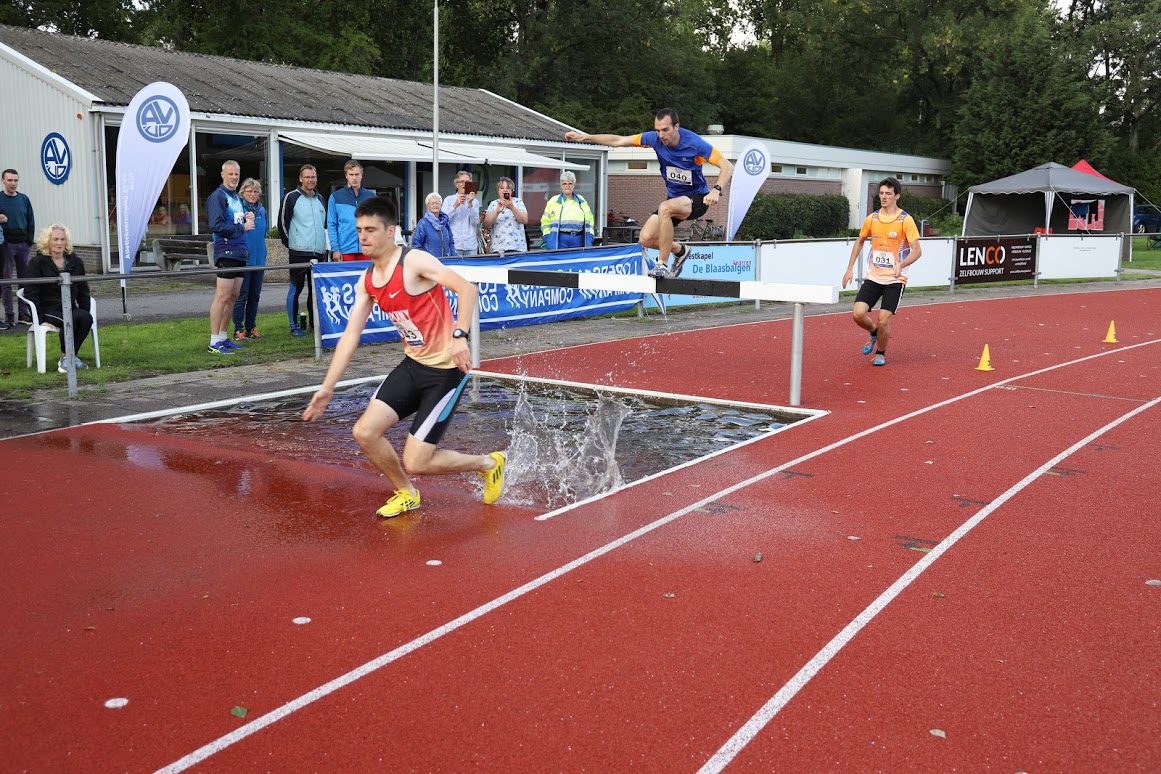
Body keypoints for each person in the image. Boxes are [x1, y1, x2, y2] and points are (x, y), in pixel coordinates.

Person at [303, 196, 506, 517]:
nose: (363, 237)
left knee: (417, 461)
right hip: (413, 366)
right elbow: (350, 336)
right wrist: (327, 388)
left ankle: (488, 463)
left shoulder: (414, 262)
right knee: (365, 432)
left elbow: (467, 289)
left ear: (390, 232)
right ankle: (407, 492)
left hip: (446, 372)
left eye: (371, 230)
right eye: (360, 230)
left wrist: (459, 336)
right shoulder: (368, 280)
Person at [565, 108, 734, 278]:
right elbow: (618, 140)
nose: (661, 135)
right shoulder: (653, 139)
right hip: (674, 200)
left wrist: (716, 190)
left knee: (665, 207)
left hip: (698, 199)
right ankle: (681, 251)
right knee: (645, 239)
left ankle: (662, 265)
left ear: (676, 127)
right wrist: (585, 137)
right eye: (658, 130)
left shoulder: (695, 143)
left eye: (665, 130)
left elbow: (727, 166)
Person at [841, 177, 923, 367]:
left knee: (883, 320)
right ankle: (874, 333)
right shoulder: (872, 218)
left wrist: (902, 264)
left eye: (888, 193)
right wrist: (849, 268)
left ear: (897, 196)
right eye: (881, 193)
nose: (884, 197)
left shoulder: (905, 220)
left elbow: (917, 251)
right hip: (874, 276)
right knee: (858, 314)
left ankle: (880, 353)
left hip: (895, 279)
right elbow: (860, 241)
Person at [23, 224, 93, 373]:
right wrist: (39, 319)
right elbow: (30, 292)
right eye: (55, 239)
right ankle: (68, 359)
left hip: (70, 307)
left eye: (62, 239)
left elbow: (83, 289)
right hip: (48, 309)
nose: (59, 243)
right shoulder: (37, 263)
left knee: (86, 318)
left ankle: (67, 357)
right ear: (47, 241)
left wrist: (84, 310)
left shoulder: (76, 262)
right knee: (70, 319)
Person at [205, 160, 252, 355]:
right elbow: (216, 225)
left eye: (236, 174)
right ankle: (214, 341)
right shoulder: (218, 196)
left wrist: (246, 218)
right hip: (226, 250)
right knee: (222, 296)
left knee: (233, 296)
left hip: (240, 250)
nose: (234, 178)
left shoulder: (236, 197)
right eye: (230, 174)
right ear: (222, 174)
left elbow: (234, 220)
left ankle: (223, 337)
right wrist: (242, 227)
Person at [280, 164, 328, 337]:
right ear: (301, 178)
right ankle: (294, 327)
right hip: (298, 252)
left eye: (313, 177)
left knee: (315, 291)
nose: (310, 180)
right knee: (296, 289)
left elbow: (323, 225)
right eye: (307, 177)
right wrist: (292, 244)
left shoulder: (321, 199)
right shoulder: (291, 197)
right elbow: (282, 224)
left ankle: (314, 325)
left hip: (319, 252)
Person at [232, 178, 268, 340]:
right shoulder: (238, 209)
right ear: (242, 193)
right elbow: (232, 231)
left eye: (255, 191)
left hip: (259, 259)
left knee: (255, 295)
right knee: (242, 295)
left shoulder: (262, 210)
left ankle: (250, 327)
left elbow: (264, 232)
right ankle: (237, 329)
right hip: (244, 259)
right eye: (249, 191)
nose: (253, 194)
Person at [0, 168, 35, 328]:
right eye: (10, 180)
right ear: (3, 181)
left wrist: (29, 240)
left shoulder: (24, 199)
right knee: (6, 280)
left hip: (23, 244)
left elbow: (30, 220)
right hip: (6, 245)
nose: (13, 183)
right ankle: (9, 314)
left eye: (15, 180)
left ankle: (23, 313)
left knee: (24, 280)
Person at [327, 159, 375, 261]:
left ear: (361, 175)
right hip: (345, 250)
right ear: (346, 175)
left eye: (357, 174)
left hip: (367, 248)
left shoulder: (371, 197)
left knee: (367, 273)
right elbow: (332, 224)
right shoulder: (336, 197)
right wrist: (335, 249)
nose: (354, 178)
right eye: (351, 174)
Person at [540, 170, 595, 249]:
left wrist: (591, 235)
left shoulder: (581, 201)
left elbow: (590, 219)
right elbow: (545, 221)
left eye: (570, 184)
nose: (567, 186)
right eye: (564, 184)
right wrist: (547, 236)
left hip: (578, 239)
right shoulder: (553, 201)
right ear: (561, 186)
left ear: (574, 185)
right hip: (559, 239)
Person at [483, 177, 529, 254]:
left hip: (517, 247)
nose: (505, 190)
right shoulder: (493, 204)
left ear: (512, 190)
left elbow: (525, 220)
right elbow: (486, 224)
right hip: (497, 248)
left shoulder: (518, 202)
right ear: (498, 191)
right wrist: (496, 212)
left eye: (508, 188)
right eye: (502, 188)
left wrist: (512, 207)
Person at [442, 171, 480, 256]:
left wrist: (470, 204)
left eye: (468, 182)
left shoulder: (475, 201)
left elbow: (475, 222)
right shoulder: (448, 200)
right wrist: (455, 206)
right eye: (462, 182)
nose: (465, 184)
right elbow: (443, 220)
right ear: (456, 185)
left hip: (470, 245)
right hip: (454, 244)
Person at [410, 192, 456, 257]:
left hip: (446, 261)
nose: (435, 205)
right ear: (428, 206)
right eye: (432, 203)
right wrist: (425, 259)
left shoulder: (445, 222)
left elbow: (451, 242)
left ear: (441, 205)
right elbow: (416, 245)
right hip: (430, 261)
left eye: (437, 203)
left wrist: (453, 258)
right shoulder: (423, 223)